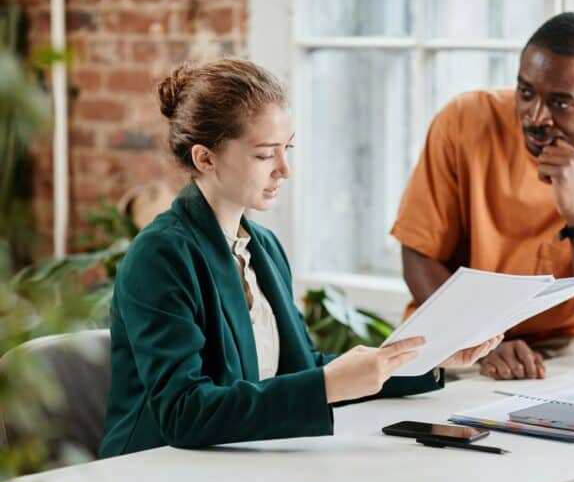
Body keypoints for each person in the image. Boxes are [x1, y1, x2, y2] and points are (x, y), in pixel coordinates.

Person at [99, 58, 502, 458]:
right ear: (205, 158)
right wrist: (325, 383)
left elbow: (297, 368)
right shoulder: (160, 256)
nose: (284, 169)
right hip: (154, 471)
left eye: (287, 148)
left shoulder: (265, 247)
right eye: (264, 155)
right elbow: (183, 412)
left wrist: (421, 360)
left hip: (240, 462)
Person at [391, 12, 574, 380]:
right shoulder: (465, 120)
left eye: (560, 103)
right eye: (525, 93)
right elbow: (418, 253)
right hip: (452, 340)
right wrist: (481, 340)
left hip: (556, 358)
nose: (535, 116)